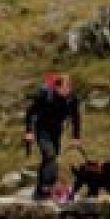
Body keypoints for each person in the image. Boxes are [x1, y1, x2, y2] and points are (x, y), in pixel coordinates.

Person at [23, 72, 82, 201]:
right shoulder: (44, 95)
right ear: (57, 87)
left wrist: (76, 137)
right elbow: (30, 112)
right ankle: (47, 188)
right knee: (50, 155)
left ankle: (39, 192)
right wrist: (29, 131)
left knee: (50, 159)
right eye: (66, 87)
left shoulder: (71, 98)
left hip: (56, 130)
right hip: (42, 129)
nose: (69, 90)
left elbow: (75, 117)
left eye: (70, 87)